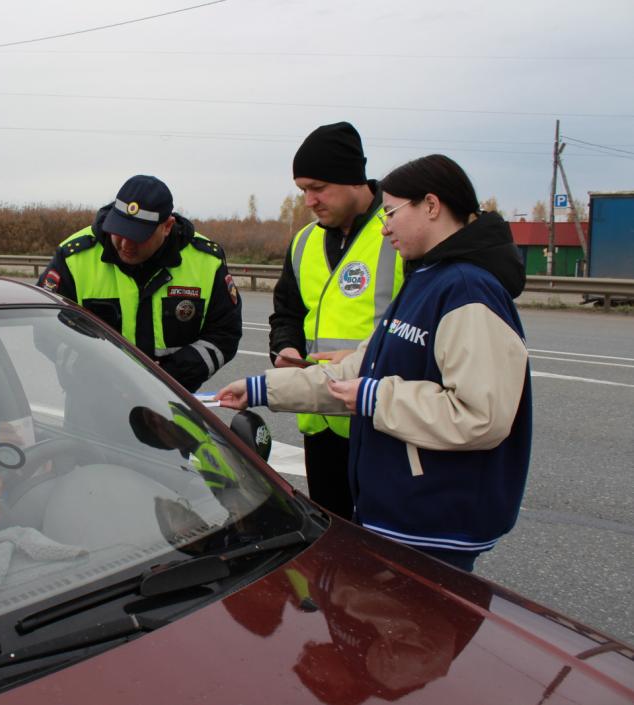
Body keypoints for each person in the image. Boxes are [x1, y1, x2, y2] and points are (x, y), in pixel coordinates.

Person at [218, 154, 532, 572]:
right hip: (401, 513)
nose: (384, 228)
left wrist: (374, 398)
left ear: (432, 206)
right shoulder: (426, 278)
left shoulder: (467, 290)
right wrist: (262, 388)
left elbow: (480, 414)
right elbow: (360, 370)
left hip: (434, 523)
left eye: (392, 213)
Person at [268, 122, 403, 519]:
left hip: (379, 419)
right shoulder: (305, 240)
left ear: (353, 178)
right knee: (334, 536)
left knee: (382, 547)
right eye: (302, 190)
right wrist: (285, 347)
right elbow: (287, 312)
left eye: (317, 187)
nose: (309, 200)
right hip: (321, 421)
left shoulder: (399, 232)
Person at [37, 174, 242, 392]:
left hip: (171, 403)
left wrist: (170, 376)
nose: (125, 244)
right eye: (119, 231)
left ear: (167, 226)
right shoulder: (74, 258)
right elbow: (45, 329)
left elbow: (224, 333)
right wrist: (99, 371)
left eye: (138, 236)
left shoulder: (206, 261)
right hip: (91, 403)